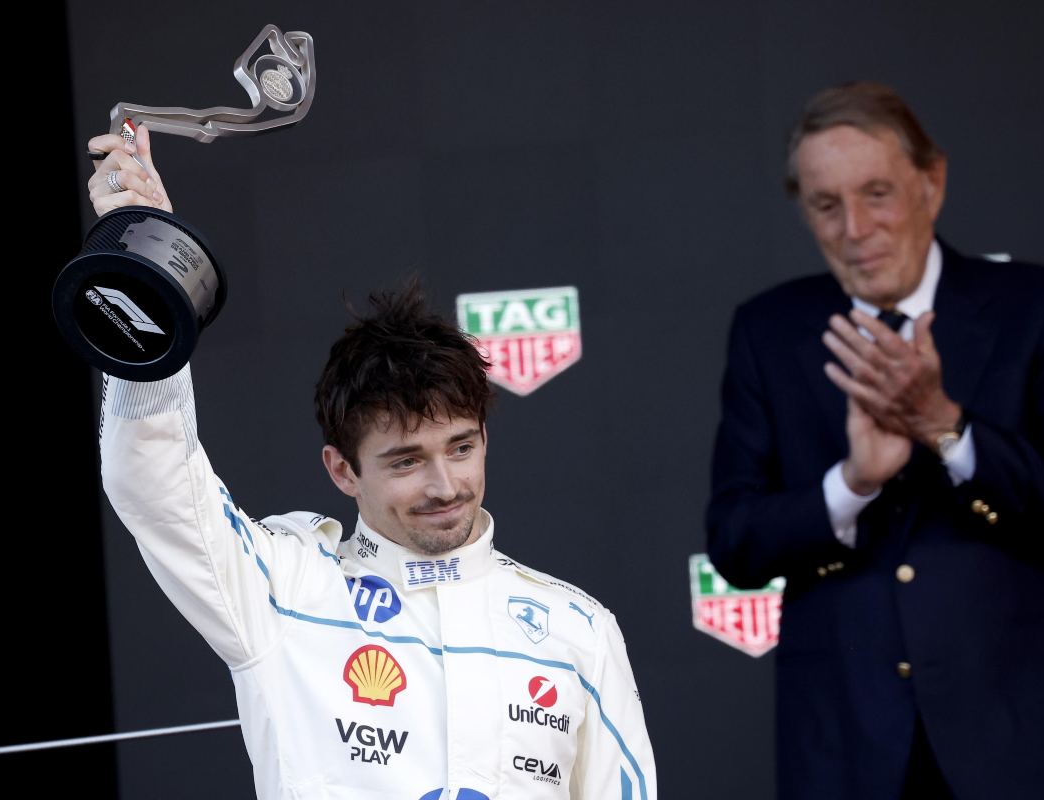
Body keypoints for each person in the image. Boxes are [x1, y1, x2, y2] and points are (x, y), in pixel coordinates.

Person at [86, 125, 656, 800]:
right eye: (407, 461)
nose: (445, 486)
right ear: (341, 470)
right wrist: (151, 273)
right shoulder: (284, 589)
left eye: (462, 448)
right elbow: (154, 482)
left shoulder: (577, 630)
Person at [705, 81, 1044, 799]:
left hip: (1032, 738)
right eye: (825, 205)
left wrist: (946, 428)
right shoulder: (767, 331)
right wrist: (852, 483)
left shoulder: (1038, 307)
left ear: (931, 183)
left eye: (877, 193)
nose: (854, 229)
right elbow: (736, 541)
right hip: (849, 749)